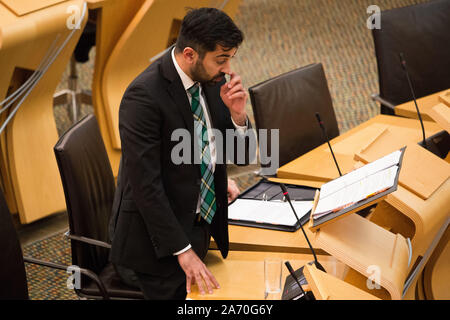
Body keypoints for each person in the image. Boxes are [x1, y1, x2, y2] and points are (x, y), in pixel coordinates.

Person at [109, 7, 254, 299]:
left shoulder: (212, 81)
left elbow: (240, 156)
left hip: (202, 228)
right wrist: (183, 251)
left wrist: (238, 116)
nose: (227, 69)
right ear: (190, 54)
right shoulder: (144, 98)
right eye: (220, 60)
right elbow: (145, 187)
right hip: (157, 251)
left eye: (229, 59)